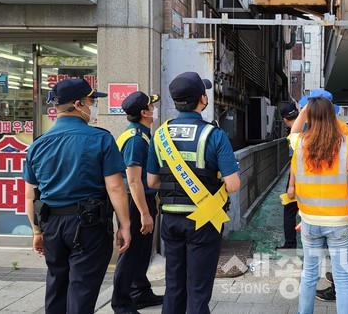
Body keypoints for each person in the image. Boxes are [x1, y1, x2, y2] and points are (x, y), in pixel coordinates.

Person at [23, 78, 131, 314]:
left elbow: (30, 193)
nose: (92, 108)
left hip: (51, 225)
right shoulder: (101, 139)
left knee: (56, 285)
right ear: (79, 104)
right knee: (82, 290)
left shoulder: (37, 145)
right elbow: (115, 188)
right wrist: (125, 225)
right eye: (91, 102)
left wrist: (36, 231)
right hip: (88, 226)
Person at [147, 71, 240, 314]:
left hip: (170, 219)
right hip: (204, 220)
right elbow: (233, 185)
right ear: (202, 99)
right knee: (198, 288)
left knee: (174, 283)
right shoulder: (214, 134)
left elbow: (152, 181)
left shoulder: (160, 135)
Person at [290, 96, 348, 314]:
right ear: (333, 116)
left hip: (310, 221)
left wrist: (304, 111)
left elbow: (293, 132)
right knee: (342, 279)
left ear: (310, 117)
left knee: (309, 275)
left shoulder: (300, 143)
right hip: (341, 223)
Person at [112, 92, 164, 313]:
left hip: (141, 199)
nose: (154, 109)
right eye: (151, 106)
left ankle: (140, 292)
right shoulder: (135, 139)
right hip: (134, 202)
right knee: (131, 251)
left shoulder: (141, 134)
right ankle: (121, 302)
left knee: (142, 251)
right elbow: (133, 181)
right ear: (144, 112)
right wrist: (144, 212)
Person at [276, 102, 299, 250]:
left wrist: (291, 185)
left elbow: (295, 162)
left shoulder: (293, 136)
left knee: (289, 212)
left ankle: (290, 245)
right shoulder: (310, 128)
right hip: (314, 179)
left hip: (299, 179)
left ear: (285, 120)